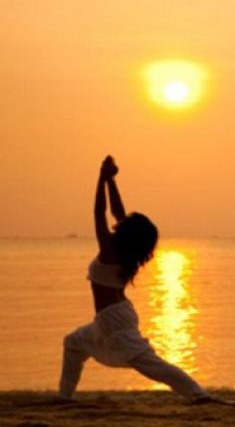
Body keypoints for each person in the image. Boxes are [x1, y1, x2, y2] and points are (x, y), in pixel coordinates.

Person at [58, 156, 212, 403]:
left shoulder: (110, 250)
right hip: (111, 316)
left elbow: (99, 212)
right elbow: (118, 213)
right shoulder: (124, 253)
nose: (122, 221)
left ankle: (199, 394)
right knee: (73, 343)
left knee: (151, 365)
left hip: (114, 319)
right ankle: (64, 398)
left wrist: (100, 175)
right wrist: (111, 180)